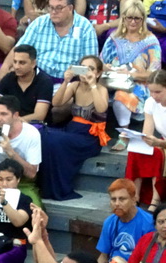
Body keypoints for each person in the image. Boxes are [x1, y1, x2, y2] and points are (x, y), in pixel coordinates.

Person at [41, 55, 110, 201]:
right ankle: (45, 186)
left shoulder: (100, 89)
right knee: (43, 134)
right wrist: (65, 81)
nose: (87, 72)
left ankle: (61, 188)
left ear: (98, 73)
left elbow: (101, 108)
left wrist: (92, 85)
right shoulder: (75, 85)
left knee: (55, 139)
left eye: (91, 69)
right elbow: (56, 102)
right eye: (84, 68)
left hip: (88, 137)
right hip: (72, 130)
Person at [101, 1, 161, 151]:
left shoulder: (150, 41)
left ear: (143, 20)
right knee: (93, 89)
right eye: (129, 18)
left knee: (122, 95)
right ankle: (95, 132)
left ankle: (124, 134)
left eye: (137, 18)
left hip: (139, 84)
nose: (133, 22)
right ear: (124, 18)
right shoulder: (114, 37)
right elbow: (100, 62)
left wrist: (131, 74)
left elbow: (154, 74)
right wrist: (107, 67)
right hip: (111, 81)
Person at [0, 0, 99, 82]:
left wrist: (73, 71)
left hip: (69, 81)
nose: (54, 12)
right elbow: (19, 49)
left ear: (70, 8)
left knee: (61, 104)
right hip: (37, 78)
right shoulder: (39, 23)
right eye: (51, 7)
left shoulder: (85, 28)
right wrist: (4, 68)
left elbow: (92, 65)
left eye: (59, 8)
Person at [0, 96, 42, 204]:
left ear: (16, 115)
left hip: (21, 180)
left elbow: (32, 173)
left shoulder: (31, 134)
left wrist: (11, 153)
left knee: (34, 208)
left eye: (4, 114)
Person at [98, 178, 154, 263]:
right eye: (113, 199)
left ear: (134, 200)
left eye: (122, 199)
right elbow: (103, 256)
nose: (117, 204)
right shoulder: (110, 222)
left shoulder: (149, 224)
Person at [126, 70, 166, 207]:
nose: (154, 96)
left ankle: (155, 200)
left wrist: (159, 143)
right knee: (136, 150)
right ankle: (135, 196)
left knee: (158, 153)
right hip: (161, 141)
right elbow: (147, 133)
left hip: (163, 142)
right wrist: (132, 136)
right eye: (151, 92)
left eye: (158, 92)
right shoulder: (150, 102)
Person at [0, 45, 55, 123]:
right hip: (8, 123)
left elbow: (39, 116)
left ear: (33, 63)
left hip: (34, 127)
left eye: (22, 63)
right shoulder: (8, 78)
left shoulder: (44, 81)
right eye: (15, 62)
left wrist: (12, 121)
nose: (16, 66)